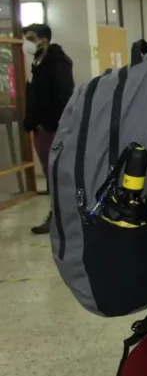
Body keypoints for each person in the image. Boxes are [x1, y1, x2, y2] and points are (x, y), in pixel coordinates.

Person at [22, 23, 74, 234]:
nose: (28, 42)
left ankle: (62, 218)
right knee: (51, 174)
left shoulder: (58, 62)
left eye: (31, 38)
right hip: (41, 129)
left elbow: (63, 96)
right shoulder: (38, 61)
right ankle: (58, 215)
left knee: (58, 175)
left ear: (44, 39)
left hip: (54, 130)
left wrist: (52, 124)